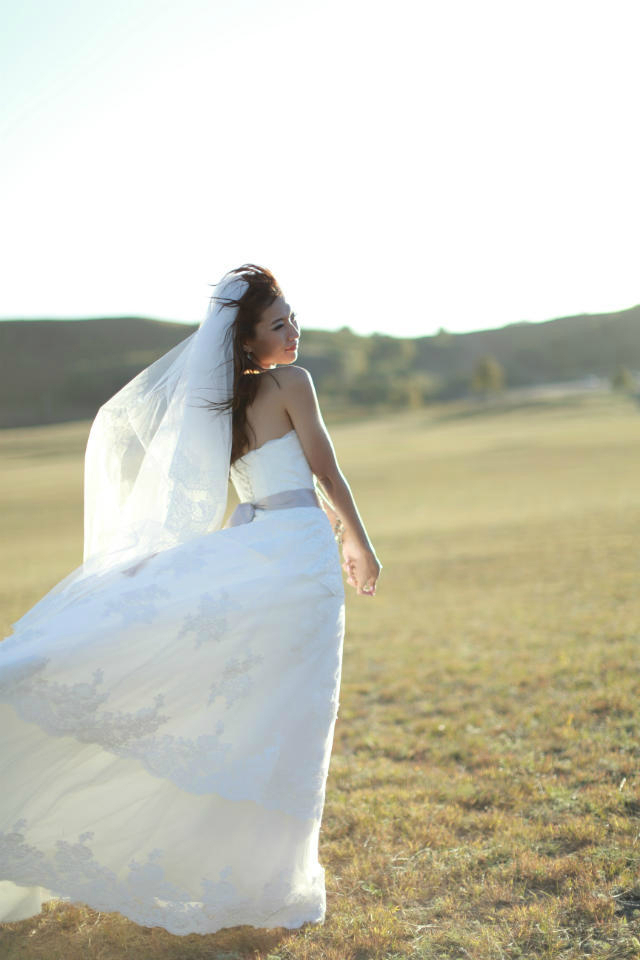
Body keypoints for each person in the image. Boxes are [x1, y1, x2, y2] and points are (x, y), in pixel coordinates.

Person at [0, 263, 381, 935]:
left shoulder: (220, 406)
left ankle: (261, 876)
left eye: (292, 316)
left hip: (269, 545)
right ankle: (266, 881)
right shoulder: (293, 383)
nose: (294, 332)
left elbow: (245, 491)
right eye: (277, 324)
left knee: (273, 713)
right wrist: (360, 540)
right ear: (245, 340)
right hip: (298, 556)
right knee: (289, 715)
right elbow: (324, 468)